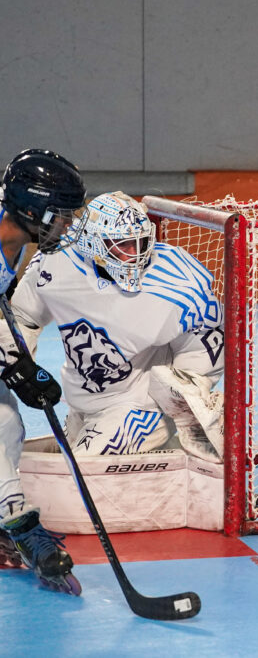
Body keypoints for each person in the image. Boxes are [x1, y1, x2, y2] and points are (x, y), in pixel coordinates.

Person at [9, 191, 225, 465]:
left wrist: (179, 396)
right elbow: (23, 318)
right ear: (92, 243)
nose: (135, 255)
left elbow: (206, 345)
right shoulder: (58, 259)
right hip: (81, 402)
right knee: (40, 466)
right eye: (122, 245)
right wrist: (20, 367)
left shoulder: (176, 281)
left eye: (141, 243)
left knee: (74, 478)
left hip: (138, 408)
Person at [0, 149, 87, 593]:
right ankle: (19, 522)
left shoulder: (12, 241)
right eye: (62, 215)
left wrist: (20, 365)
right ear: (33, 209)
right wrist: (11, 365)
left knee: (10, 423)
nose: (67, 225)